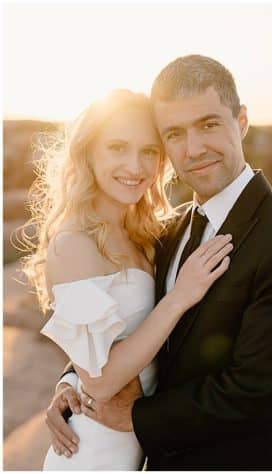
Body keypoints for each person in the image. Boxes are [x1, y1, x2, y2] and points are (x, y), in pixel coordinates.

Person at [42, 55, 272, 469]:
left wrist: (134, 416)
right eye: (174, 134)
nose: (194, 149)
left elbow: (256, 392)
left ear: (240, 122)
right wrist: (72, 381)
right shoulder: (167, 231)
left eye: (208, 125)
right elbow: (129, 325)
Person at [21, 89, 233, 470]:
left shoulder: (143, 233)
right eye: (117, 147)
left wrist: (67, 383)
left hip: (142, 444)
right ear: (89, 153)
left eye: (149, 151)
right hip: (94, 453)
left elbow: (108, 347)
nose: (135, 167)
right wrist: (181, 296)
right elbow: (100, 382)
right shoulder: (73, 242)